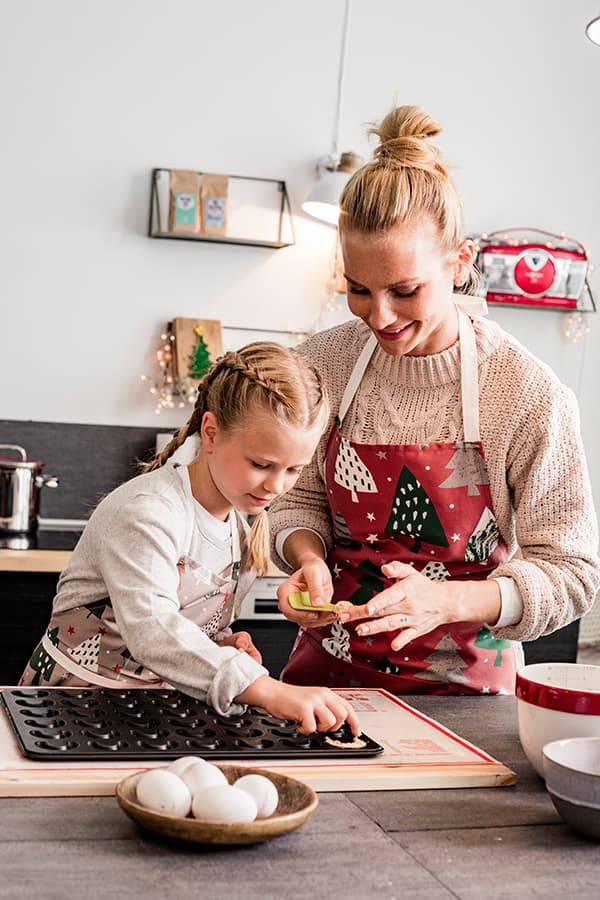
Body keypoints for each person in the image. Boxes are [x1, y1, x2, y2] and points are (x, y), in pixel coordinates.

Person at [270, 105, 600, 695]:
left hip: (470, 697)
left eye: (405, 290)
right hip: (325, 689)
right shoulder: (323, 364)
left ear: (459, 262)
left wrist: (447, 601)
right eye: (358, 289)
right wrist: (308, 560)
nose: (380, 316)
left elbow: (572, 572)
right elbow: (296, 501)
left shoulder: (525, 391)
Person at [20, 342, 359, 735]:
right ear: (211, 433)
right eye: (261, 464)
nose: (277, 486)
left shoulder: (239, 530)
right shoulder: (149, 512)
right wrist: (264, 688)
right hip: (72, 707)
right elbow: (152, 628)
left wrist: (221, 646)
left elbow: (188, 630)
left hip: (151, 710)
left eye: (294, 469)